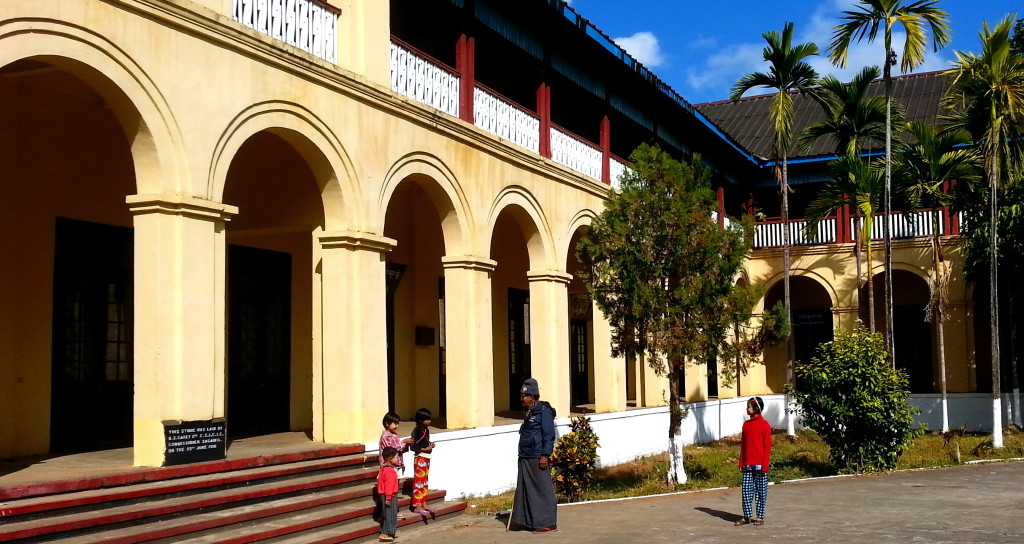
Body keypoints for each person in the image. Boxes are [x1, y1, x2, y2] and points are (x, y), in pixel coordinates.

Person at [510, 378, 558, 533]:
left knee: (541, 489)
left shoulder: (544, 411)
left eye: (524, 396)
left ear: (532, 396)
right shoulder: (529, 411)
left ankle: (546, 522)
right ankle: (529, 521)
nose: (522, 399)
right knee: (526, 489)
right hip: (526, 455)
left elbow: (548, 434)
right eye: (522, 396)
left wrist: (545, 455)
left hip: (537, 456)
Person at [736, 396, 772, 526]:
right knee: (746, 492)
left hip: (760, 466)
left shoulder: (764, 425)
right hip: (747, 465)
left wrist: (765, 465)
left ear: (756, 409)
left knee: (761, 492)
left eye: (749, 406)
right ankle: (746, 517)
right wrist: (741, 462)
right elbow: (743, 445)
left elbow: (767, 447)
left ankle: (760, 517)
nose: (747, 409)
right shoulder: (746, 425)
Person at [409, 408, 437, 516]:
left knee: (425, 481)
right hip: (420, 457)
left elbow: (425, 442)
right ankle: (417, 505)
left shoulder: (426, 430)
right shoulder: (416, 430)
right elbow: (413, 447)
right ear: (420, 420)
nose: (429, 421)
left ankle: (424, 502)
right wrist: (425, 449)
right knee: (418, 481)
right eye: (427, 419)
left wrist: (430, 445)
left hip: (427, 457)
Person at [377, 446, 401, 542]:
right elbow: (389, 486)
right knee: (390, 514)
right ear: (390, 459)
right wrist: (388, 497)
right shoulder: (390, 472)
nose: (397, 459)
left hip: (385, 495)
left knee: (388, 514)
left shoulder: (384, 469)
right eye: (396, 457)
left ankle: (392, 530)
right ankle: (386, 533)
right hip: (389, 495)